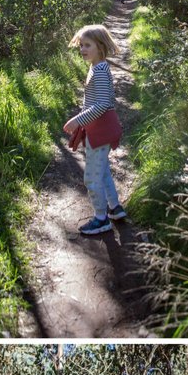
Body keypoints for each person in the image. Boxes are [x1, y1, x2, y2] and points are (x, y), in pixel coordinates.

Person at [64, 25, 126, 235]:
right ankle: (114, 208)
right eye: (81, 45)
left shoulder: (99, 71)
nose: (82, 49)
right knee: (103, 170)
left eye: (87, 45)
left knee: (91, 177)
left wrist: (77, 120)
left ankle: (101, 219)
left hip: (99, 130)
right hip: (100, 129)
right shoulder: (98, 67)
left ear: (100, 46)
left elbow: (101, 104)